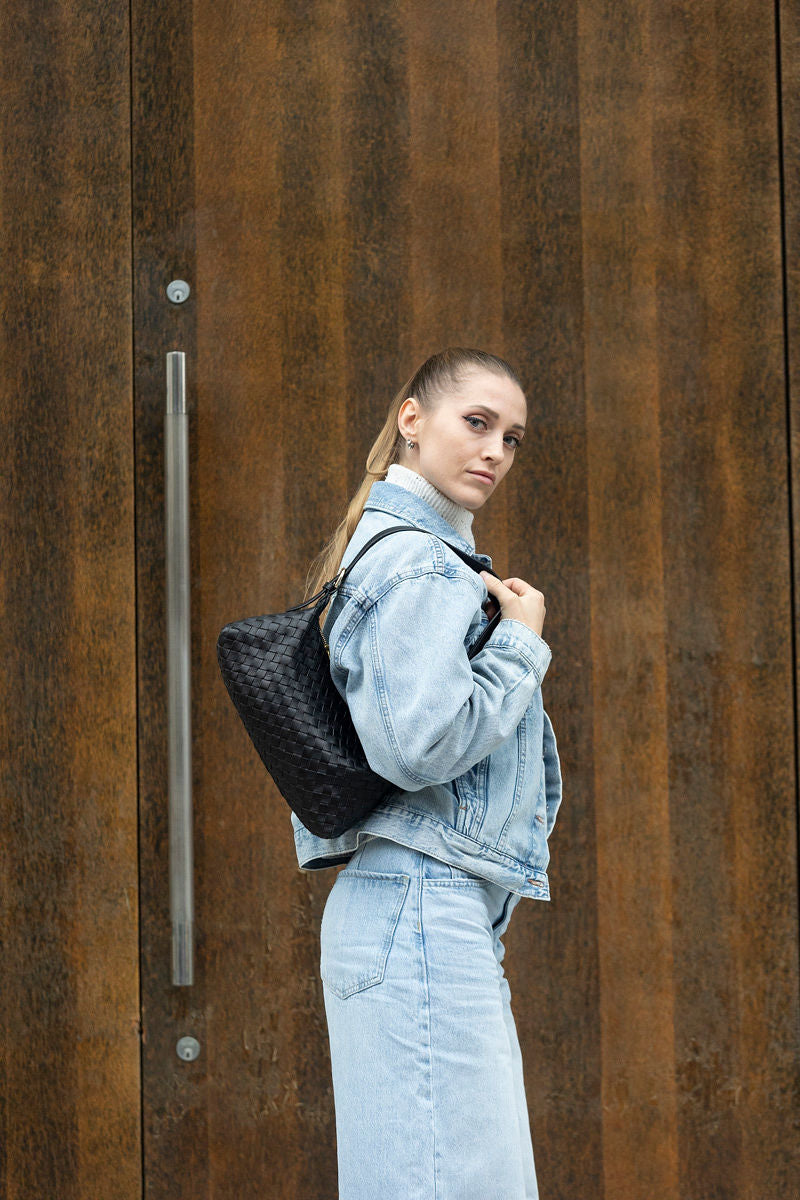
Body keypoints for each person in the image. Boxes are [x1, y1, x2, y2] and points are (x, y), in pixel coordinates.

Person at [293, 346, 562, 1199]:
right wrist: (522, 643)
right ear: (412, 420)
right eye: (475, 423)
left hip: (417, 906)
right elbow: (418, 746)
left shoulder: (412, 555)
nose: (494, 452)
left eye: (512, 438)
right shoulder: (418, 563)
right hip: (419, 905)